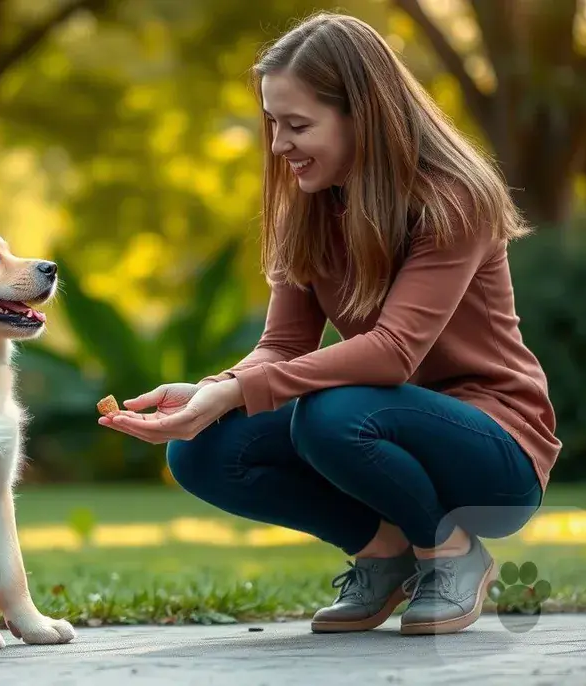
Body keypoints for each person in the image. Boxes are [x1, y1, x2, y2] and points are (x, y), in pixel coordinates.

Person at [98, 11, 559, 636]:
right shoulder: (310, 207)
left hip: (496, 454)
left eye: (297, 125)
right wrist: (215, 390)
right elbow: (282, 345)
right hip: (377, 422)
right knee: (201, 448)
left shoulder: (452, 200)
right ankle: (385, 553)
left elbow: (393, 352)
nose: (278, 145)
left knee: (331, 414)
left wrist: (239, 391)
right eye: (272, 123)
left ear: (361, 118)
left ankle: (451, 551)